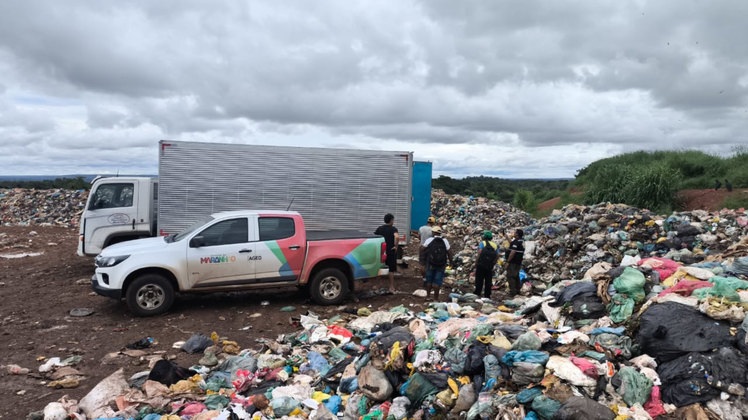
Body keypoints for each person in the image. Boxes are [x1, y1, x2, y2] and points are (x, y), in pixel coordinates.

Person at [421, 226, 453, 301]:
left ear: (433, 232)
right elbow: (449, 252)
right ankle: (436, 298)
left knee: (429, 280)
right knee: (437, 281)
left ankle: (428, 296)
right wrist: (451, 262)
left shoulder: (430, 240)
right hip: (441, 264)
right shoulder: (445, 241)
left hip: (431, 263)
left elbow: (422, 249)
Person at [374, 213, 399, 293]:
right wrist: (396, 246)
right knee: (391, 270)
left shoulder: (379, 229)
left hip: (381, 252)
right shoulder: (393, 229)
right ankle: (391, 287)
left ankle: (377, 286)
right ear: (391, 220)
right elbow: (397, 236)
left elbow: (375, 237)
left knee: (380, 269)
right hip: (390, 252)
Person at [474, 231, 499, 299]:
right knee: (488, 280)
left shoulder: (483, 243)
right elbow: (497, 255)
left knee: (479, 278)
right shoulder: (494, 245)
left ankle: (478, 292)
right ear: (491, 238)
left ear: (484, 237)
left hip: (481, 264)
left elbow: (479, 253)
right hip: (489, 265)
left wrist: (476, 262)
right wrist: (493, 263)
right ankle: (487, 294)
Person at [505, 229, 525, 296]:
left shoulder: (517, 242)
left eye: (515, 232)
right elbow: (512, 243)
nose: (514, 233)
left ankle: (513, 292)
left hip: (513, 262)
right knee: (516, 276)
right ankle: (518, 290)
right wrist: (507, 237)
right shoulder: (521, 241)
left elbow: (513, 252)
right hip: (518, 262)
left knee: (510, 276)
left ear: (517, 234)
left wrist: (508, 261)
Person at [418, 217, 436, 286]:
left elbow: (419, 237)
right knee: (429, 264)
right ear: (433, 223)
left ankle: (424, 279)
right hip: (430, 248)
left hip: (422, 247)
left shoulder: (421, 228)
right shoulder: (433, 230)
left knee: (422, 264)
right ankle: (430, 280)